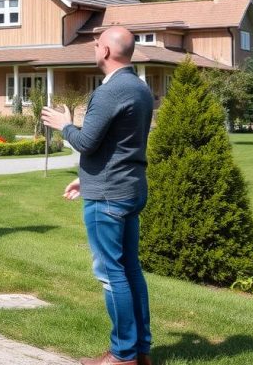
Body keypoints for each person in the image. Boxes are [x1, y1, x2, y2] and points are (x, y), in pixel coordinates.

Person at [41, 26, 154, 365]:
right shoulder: (140, 88)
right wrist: (85, 181)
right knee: (130, 269)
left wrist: (64, 124)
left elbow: (86, 142)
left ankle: (122, 355)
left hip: (109, 196)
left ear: (105, 51)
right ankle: (140, 350)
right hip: (128, 189)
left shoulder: (108, 92)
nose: (93, 47)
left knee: (111, 273)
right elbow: (116, 146)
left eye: (96, 42)